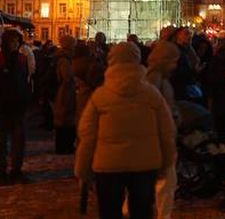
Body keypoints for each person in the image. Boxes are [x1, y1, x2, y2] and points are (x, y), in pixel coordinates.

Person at [75, 42, 176, 219]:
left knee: (110, 212)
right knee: (142, 212)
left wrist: (83, 170)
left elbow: (87, 137)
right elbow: (167, 133)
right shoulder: (152, 94)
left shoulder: (100, 97)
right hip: (145, 165)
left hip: (108, 167)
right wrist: (166, 163)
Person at [0, 28, 33, 185]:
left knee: (19, 142)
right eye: (13, 41)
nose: (15, 44)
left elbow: (26, 80)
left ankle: (16, 170)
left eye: (17, 41)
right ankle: (1, 172)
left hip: (18, 108)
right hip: (1, 109)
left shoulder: (22, 60)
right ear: (5, 42)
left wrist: (26, 96)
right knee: (1, 143)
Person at [145, 38, 180, 219]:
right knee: (165, 183)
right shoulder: (154, 79)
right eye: (172, 61)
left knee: (165, 182)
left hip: (161, 135)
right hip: (158, 137)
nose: (175, 65)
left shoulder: (159, 77)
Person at [52, 34, 78, 154]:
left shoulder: (63, 57)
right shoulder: (64, 59)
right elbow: (67, 77)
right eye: (73, 43)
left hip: (64, 91)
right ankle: (63, 146)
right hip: (64, 92)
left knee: (65, 119)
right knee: (64, 120)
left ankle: (64, 145)